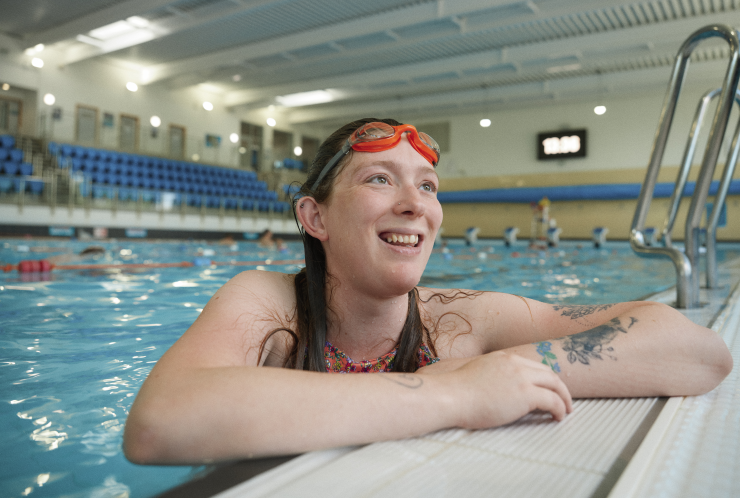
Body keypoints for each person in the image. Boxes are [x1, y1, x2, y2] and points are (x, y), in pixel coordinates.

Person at [123, 118, 733, 465]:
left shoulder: (464, 322)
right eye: (380, 179)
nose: (415, 205)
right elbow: (158, 423)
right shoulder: (264, 304)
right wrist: (453, 394)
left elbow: (695, 349)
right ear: (315, 217)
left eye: (430, 186)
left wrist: (510, 367)